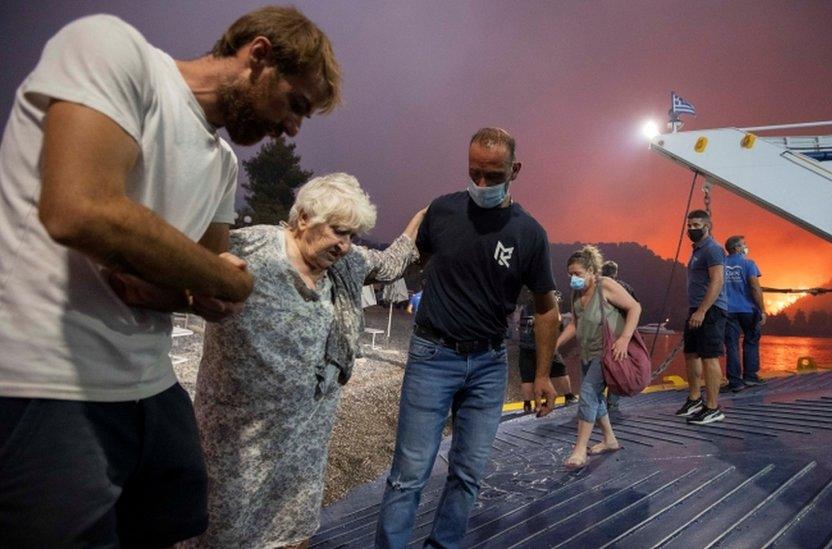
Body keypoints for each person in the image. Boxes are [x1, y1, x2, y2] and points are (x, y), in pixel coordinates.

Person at [0, 7, 340, 546]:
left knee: (175, 528)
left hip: (152, 384)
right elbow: (80, 209)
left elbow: (206, 292)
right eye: (296, 104)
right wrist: (224, 281)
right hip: (49, 380)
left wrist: (181, 281)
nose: (292, 128)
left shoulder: (222, 164)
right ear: (259, 56)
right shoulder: (115, 51)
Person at [186, 174, 423, 548]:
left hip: (305, 445)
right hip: (236, 444)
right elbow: (183, 264)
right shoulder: (250, 249)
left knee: (293, 535)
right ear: (303, 219)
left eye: (352, 236)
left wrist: (421, 218)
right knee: (218, 534)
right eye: (338, 232)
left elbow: (390, 264)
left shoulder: (344, 266)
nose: (345, 246)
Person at [375, 127, 559, 549]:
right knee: (409, 473)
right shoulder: (441, 212)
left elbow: (548, 308)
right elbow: (405, 262)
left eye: (493, 176)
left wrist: (544, 375)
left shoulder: (529, 233)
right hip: (432, 355)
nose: (481, 184)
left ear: (515, 170)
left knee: (468, 473)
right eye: (474, 173)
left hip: (489, 366)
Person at [556, 245, 641, 469]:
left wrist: (624, 338)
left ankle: (579, 450)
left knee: (587, 395)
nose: (573, 279)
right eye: (570, 275)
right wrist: (554, 345)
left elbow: (635, 307)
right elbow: (575, 323)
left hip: (605, 353)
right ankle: (610, 439)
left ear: (592, 271)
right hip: (586, 352)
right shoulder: (576, 293)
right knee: (596, 397)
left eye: (577, 274)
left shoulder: (606, 286)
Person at [675, 210, 728, 425]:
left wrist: (703, 310)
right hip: (696, 308)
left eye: (696, 225)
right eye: (689, 225)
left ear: (708, 226)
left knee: (709, 357)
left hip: (711, 310)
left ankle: (713, 407)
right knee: (691, 354)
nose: (691, 229)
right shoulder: (697, 250)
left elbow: (717, 281)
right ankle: (695, 399)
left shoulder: (713, 249)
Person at [721, 235, 767, 392]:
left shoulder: (721, 264)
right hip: (748, 309)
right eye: (744, 245)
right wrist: (762, 310)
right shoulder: (748, 264)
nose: (746, 247)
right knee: (751, 341)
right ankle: (750, 376)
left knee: (731, 345)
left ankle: (735, 381)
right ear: (736, 248)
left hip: (727, 310)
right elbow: (755, 288)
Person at [518, 289, 576, 413]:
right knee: (560, 370)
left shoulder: (525, 308)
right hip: (544, 346)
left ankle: (527, 404)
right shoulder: (544, 306)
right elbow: (556, 321)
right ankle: (569, 396)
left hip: (525, 348)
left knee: (527, 377)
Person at [601, 259, 638, 411]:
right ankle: (612, 403)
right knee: (617, 367)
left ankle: (599, 403)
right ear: (616, 272)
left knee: (600, 366)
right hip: (620, 332)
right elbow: (635, 308)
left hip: (602, 332)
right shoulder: (626, 288)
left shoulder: (599, 286)